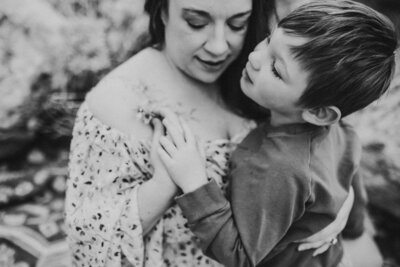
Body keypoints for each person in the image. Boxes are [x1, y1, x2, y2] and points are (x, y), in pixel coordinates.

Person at [65, 0, 376, 266]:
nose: (218, 46)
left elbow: (329, 135)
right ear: (162, 11)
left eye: (238, 24)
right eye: (196, 22)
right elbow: (89, 248)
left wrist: (336, 206)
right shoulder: (115, 103)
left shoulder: (260, 74)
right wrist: (164, 183)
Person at [154, 1, 398, 266]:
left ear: (319, 113)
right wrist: (350, 229)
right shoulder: (343, 133)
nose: (256, 58)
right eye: (269, 40)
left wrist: (194, 183)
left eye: (276, 69)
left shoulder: (280, 169)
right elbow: (353, 190)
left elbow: (240, 255)